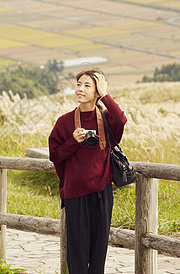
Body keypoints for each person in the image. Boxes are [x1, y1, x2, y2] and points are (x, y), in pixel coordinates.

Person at [48, 67, 127, 273]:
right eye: (78, 84)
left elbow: (121, 120)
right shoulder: (64, 122)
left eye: (87, 85)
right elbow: (55, 155)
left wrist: (106, 95)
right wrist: (73, 141)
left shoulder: (107, 119)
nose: (80, 89)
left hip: (102, 192)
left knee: (98, 252)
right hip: (75, 194)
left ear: (97, 91)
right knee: (78, 253)